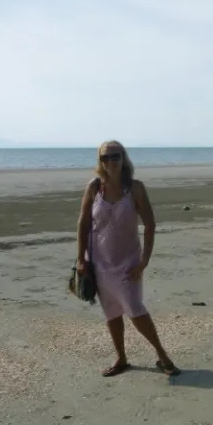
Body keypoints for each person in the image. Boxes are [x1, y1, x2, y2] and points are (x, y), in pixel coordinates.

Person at [76, 140, 180, 377]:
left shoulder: (135, 188)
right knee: (111, 312)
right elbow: (83, 223)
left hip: (128, 263)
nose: (110, 161)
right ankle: (121, 359)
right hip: (99, 262)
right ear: (100, 161)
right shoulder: (94, 187)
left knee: (135, 309)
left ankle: (163, 357)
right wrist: (81, 258)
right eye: (105, 157)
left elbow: (150, 224)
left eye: (115, 156)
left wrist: (144, 260)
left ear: (124, 158)